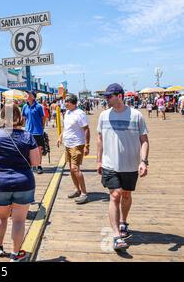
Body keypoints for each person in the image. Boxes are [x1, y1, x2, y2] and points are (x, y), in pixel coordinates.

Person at [97, 83, 149, 252]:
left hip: (130, 165)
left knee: (126, 194)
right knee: (115, 195)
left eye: (109, 96)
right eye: (105, 96)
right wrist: (98, 161)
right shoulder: (103, 116)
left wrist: (143, 161)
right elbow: (100, 139)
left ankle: (123, 222)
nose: (106, 99)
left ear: (120, 96)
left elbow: (144, 140)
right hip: (109, 164)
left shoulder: (136, 115)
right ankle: (116, 235)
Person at [0, 104, 40, 262]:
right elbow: (35, 161)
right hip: (24, 182)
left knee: (1, 217)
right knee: (18, 220)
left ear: (3, 118)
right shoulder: (27, 136)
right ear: (19, 117)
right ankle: (15, 255)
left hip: (1, 182)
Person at [57, 94, 90, 204]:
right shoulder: (67, 112)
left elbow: (86, 130)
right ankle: (77, 189)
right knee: (71, 169)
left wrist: (87, 145)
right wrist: (60, 137)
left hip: (77, 144)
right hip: (68, 144)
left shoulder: (80, 114)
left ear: (72, 102)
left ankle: (84, 193)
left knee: (75, 168)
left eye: (66, 101)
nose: (65, 103)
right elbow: (66, 127)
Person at [22, 91, 46, 174]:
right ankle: (32, 165)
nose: (26, 95)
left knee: (39, 149)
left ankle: (39, 165)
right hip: (28, 132)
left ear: (33, 97)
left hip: (38, 132)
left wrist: (42, 128)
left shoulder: (39, 106)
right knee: (28, 150)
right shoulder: (25, 106)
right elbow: (23, 118)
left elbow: (43, 118)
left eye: (28, 94)